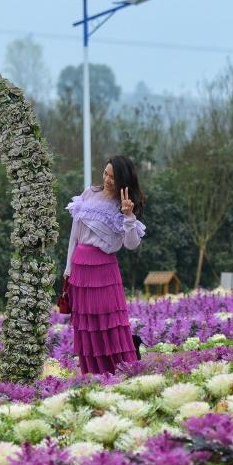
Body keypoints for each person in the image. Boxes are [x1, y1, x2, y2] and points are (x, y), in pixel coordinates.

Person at [63, 155, 146, 375]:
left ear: (123, 179)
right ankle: (92, 374)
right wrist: (68, 270)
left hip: (104, 269)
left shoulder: (125, 204)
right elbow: (74, 235)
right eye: (105, 174)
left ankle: (122, 371)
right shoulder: (89, 193)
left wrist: (128, 216)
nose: (107, 179)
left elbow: (131, 244)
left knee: (110, 323)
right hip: (80, 267)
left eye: (113, 176)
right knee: (86, 325)